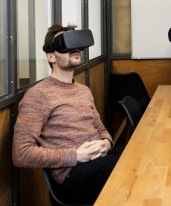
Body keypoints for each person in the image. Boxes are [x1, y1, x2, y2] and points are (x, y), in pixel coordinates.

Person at [12, 24, 119, 204]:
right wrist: (75, 155)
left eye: (77, 44)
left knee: (136, 157)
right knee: (130, 165)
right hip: (73, 176)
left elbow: (101, 128)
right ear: (51, 56)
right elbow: (21, 153)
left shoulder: (84, 91)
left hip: (100, 162)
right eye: (66, 44)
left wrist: (106, 143)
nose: (75, 49)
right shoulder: (38, 95)